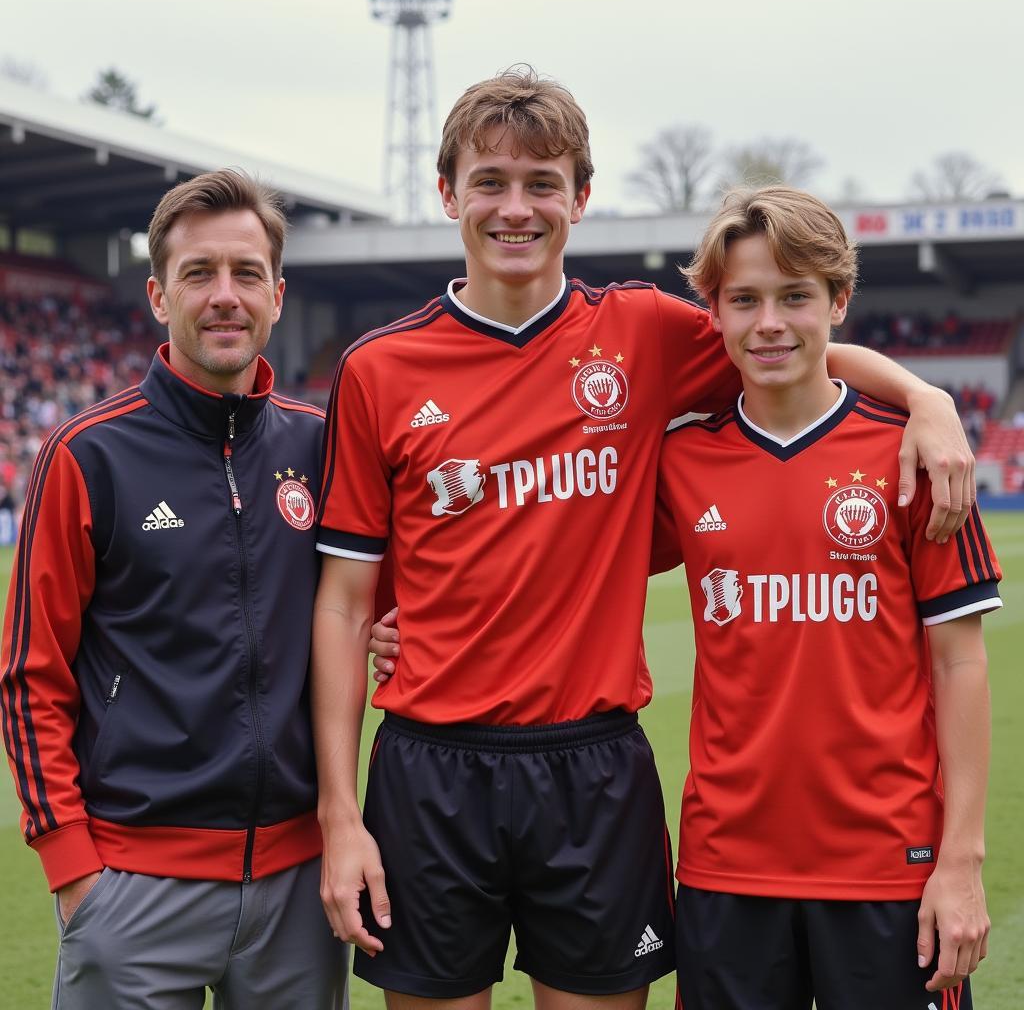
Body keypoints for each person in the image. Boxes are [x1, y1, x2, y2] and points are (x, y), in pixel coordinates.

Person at [313, 67, 976, 1010]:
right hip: (431, 773)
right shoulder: (378, 369)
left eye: (543, 184)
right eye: (490, 181)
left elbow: (790, 339)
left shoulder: (645, 333)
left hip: (594, 766)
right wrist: (341, 815)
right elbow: (342, 605)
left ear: (581, 198)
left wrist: (926, 399)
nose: (516, 208)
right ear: (446, 192)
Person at [1, 169, 347, 1009]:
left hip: (299, 889)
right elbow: (29, 675)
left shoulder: (321, 446)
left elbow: (368, 611)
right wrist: (73, 866)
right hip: (132, 885)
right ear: (159, 295)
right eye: (199, 274)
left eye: (245, 273)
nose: (224, 296)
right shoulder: (87, 455)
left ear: (276, 294)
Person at [656, 186, 1000, 1009]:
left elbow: (960, 666)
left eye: (796, 296)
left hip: (889, 867)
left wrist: (961, 862)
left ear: (838, 301)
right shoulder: (681, 461)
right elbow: (564, 557)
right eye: (745, 299)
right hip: (725, 866)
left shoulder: (917, 460)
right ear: (716, 312)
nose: (769, 322)